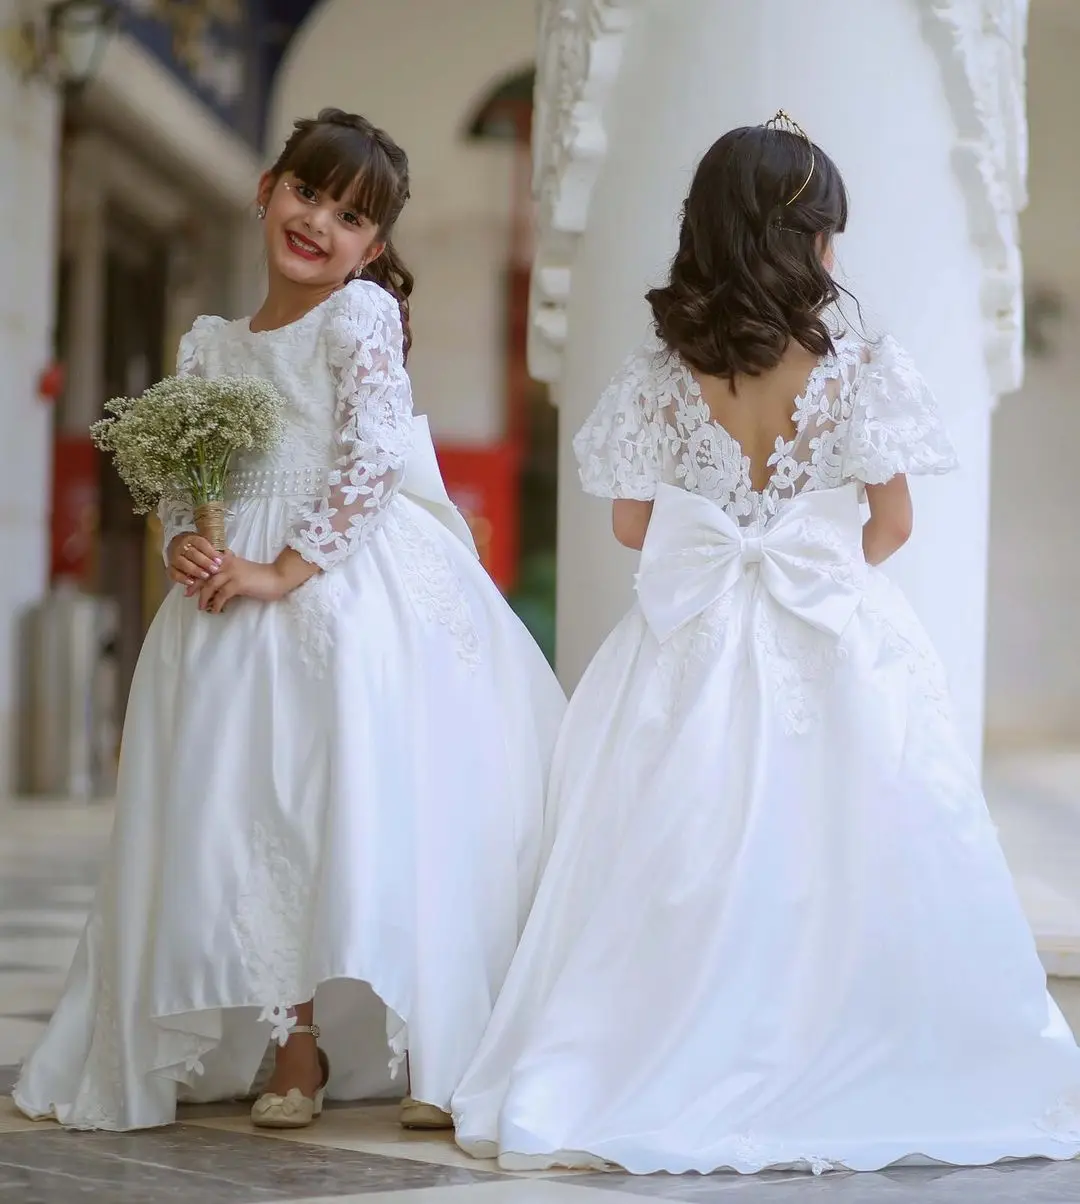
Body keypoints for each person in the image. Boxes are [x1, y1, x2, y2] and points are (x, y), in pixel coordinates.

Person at [451, 113, 1080, 1175]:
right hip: (830, 630)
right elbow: (894, 524)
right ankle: (842, 1048)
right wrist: (812, 564)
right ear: (810, 241)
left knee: (672, 854)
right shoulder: (857, 363)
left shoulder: (665, 371)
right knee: (846, 848)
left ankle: (651, 1056)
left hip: (685, 645)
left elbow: (633, 527)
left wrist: (729, 541)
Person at [14, 109, 565, 1133]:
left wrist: (286, 570)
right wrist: (186, 534)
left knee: (360, 801)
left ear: (374, 247)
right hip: (233, 589)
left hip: (343, 581)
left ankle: (437, 1046)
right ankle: (292, 1040)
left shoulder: (354, 319)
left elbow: (367, 456)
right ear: (266, 187)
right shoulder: (210, 342)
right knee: (253, 810)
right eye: (307, 192)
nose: (320, 222)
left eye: (351, 216)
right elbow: (187, 476)